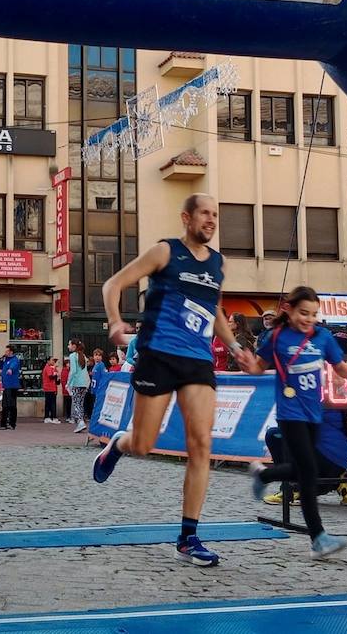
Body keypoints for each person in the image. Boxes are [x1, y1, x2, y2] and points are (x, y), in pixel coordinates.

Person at [91, 193, 238, 566]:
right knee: (143, 443)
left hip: (197, 361)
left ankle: (188, 537)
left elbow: (215, 309)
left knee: (201, 443)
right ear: (186, 217)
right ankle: (118, 446)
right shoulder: (165, 252)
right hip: (158, 355)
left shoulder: (218, 263)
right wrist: (114, 322)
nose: (211, 220)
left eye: (215, 214)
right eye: (205, 213)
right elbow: (113, 285)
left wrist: (236, 348)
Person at [236, 285, 347, 560]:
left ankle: (265, 474)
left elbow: (341, 367)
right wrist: (246, 362)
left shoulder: (322, 337)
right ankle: (318, 538)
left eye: (313, 314)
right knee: (308, 471)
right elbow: (258, 368)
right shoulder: (276, 337)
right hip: (290, 413)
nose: (308, 318)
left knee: (299, 468)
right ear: (289, 309)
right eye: (303, 313)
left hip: (313, 414)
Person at [263, 332, 347, 508]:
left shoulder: (314, 387)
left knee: (276, 435)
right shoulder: (339, 392)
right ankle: (338, 480)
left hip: (321, 460)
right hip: (338, 459)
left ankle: (292, 488)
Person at [66, 341, 90, 432]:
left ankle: (80, 421)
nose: (68, 346)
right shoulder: (83, 356)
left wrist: (68, 383)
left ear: (74, 346)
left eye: (69, 344)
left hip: (76, 383)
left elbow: (73, 371)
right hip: (84, 383)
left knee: (76, 403)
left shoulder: (72, 356)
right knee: (80, 403)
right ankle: (81, 421)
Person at [0, 346, 21, 430]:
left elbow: (13, 366)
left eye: (7, 351)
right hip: (6, 385)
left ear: (11, 352)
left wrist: (10, 369)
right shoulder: (6, 360)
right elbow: (1, 367)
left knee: (12, 405)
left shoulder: (14, 360)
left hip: (12, 386)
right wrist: (1, 360)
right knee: (5, 405)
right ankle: (3, 424)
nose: (5, 352)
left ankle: (12, 423)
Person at [87, 348, 107, 423]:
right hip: (94, 389)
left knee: (97, 405)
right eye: (96, 355)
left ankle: (98, 419)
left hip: (98, 389)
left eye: (99, 355)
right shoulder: (95, 365)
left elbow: (104, 375)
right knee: (94, 404)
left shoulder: (101, 365)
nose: (97, 357)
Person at [42, 356, 61, 423]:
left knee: (51, 403)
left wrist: (58, 377)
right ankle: (51, 417)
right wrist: (56, 375)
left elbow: (57, 381)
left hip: (53, 388)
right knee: (50, 403)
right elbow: (50, 377)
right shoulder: (47, 367)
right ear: (48, 361)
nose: (53, 362)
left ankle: (50, 417)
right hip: (48, 388)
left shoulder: (53, 369)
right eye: (52, 360)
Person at [60, 356, 72, 421]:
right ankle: (68, 416)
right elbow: (64, 381)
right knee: (68, 403)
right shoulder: (65, 370)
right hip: (67, 390)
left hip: (70, 389)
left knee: (70, 403)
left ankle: (69, 416)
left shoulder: (70, 370)